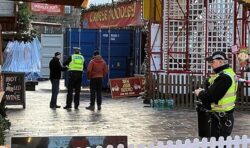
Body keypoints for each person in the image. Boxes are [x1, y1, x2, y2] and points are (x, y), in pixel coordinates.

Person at [194, 51, 238, 139]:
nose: (210, 64)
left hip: (222, 118)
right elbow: (215, 92)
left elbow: (210, 97)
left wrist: (200, 93)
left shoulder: (224, 77)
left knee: (218, 144)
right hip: (223, 115)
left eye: (212, 61)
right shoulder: (227, 73)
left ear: (220, 61)